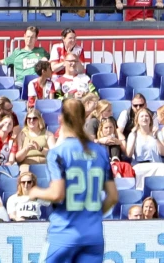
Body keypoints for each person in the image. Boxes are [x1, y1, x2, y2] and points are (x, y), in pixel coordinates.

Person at [27, 99, 117, 263]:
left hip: (65, 233)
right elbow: (112, 197)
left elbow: (57, 193)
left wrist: (35, 191)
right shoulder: (101, 152)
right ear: (84, 119)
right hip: (93, 235)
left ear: (60, 119)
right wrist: (91, 215)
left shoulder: (57, 153)